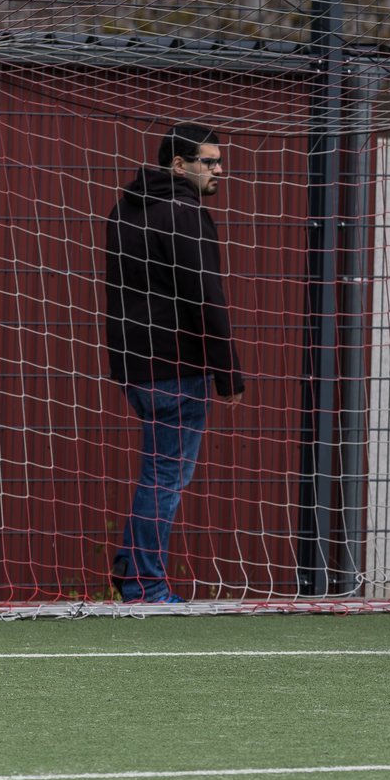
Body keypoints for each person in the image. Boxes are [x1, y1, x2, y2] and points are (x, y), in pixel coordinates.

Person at [103, 122, 244, 603]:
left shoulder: (125, 209)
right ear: (179, 165)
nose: (218, 169)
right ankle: (146, 584)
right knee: (165, 478)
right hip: (177, 369)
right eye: (209, 161)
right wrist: (229, 373)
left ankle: (130, 567)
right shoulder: (184, 211)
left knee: (157, 473)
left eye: (219, 160)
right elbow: (206, 297)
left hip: (135, 369)